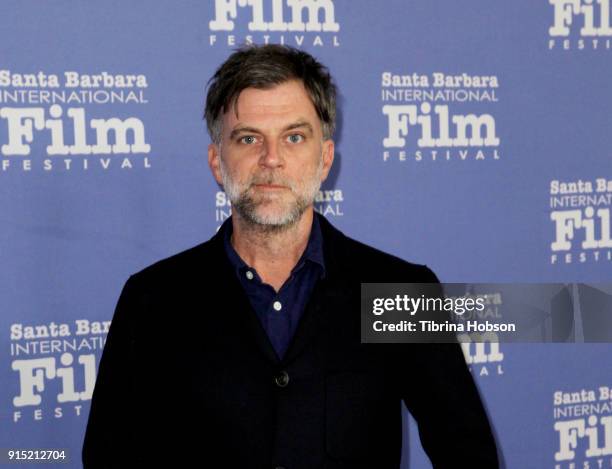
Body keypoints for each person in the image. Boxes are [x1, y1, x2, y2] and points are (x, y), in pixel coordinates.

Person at [82, 44, 499, 468]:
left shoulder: (399, 292)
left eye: (294, 137)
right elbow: (108, 457)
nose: (272, 159)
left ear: (325, 159)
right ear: (216, 160)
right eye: (248, 138)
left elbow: (468, 453)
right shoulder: (153, 299)